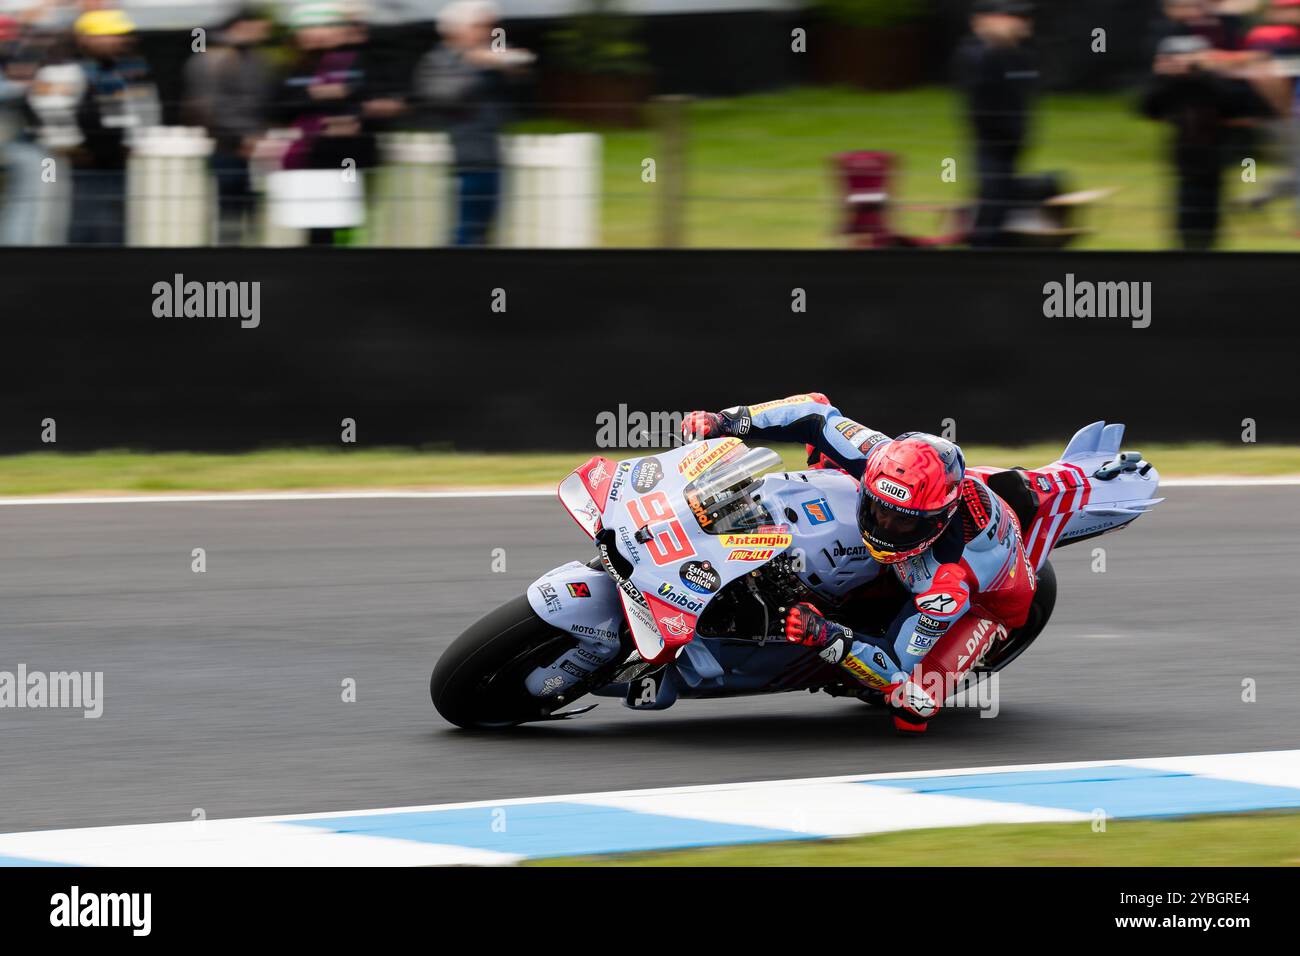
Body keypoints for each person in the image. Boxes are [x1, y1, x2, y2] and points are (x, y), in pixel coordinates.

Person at [680, 394, 1036, 734]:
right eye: (878, 510)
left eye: (904, 522)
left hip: (990, 604)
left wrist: (827, 635)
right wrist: (726, 421)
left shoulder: (946, 583)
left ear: (936, 521)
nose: (885, 526)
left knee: (912, 702)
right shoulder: (880, 458)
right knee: (819, 405)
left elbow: (897, 663)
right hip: (923, 535)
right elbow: (813, 415)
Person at [413, 0, 531, 246]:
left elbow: (523, 82)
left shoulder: (491, 56)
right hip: (465, 159)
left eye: (488, 25)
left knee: (484, 233)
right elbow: (442, 97)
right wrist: (474, 67)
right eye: (478, 26)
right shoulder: (439, 60)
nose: (486, 31)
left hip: (491, 156)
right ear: (456, 29)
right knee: (465, 232)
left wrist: (512, 67)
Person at [182, 7, 274, 245]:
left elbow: (263, 103)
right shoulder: (211, 58)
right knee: (229, 208)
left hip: (254, 148)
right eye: (258, 26)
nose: (263, 32)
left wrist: (258, 136)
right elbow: (208, 107)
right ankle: (228, 265)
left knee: (252, 208)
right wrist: (244, 137)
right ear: (241, 26)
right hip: (226, 146)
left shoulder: (257, 59)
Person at [68, 7, 159, 245]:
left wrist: (133, 143)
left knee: (113, 223)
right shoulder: (68, 69)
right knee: (81, 221)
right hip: (77, 163)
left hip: (117, 161)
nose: (117, 40)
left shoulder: (130, 68)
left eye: (119, 35)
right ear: (87, 38)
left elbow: (144, 109)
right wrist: (70, 146)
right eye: (109, 34)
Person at [954, 0, 1036, 248]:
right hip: (991, 141)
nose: (1020, 25)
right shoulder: (975, 53)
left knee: (1004, 202)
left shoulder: (1018, 54)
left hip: (1012, 142)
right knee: (992, 200)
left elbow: (1020, 95)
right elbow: (980, 95)